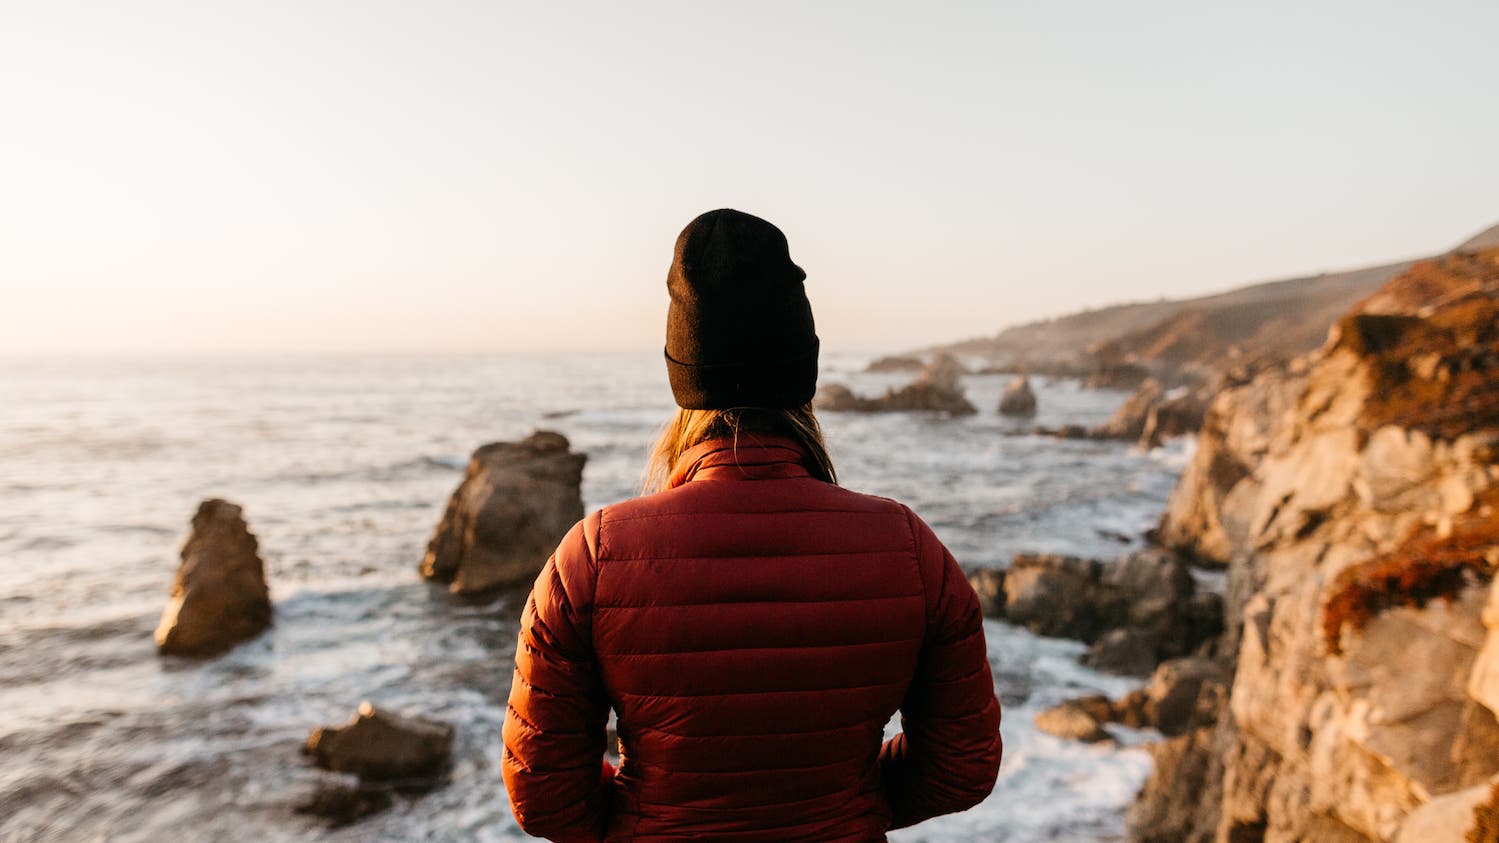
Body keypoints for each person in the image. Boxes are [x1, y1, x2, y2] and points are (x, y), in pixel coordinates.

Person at [501, 209, 1003, 842]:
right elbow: (962, 767)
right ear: (803, 369)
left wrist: (645, 817)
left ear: (682, 370)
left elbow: (543, 794)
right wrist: (850, 807)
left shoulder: (594, 557)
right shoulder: (909, 549)